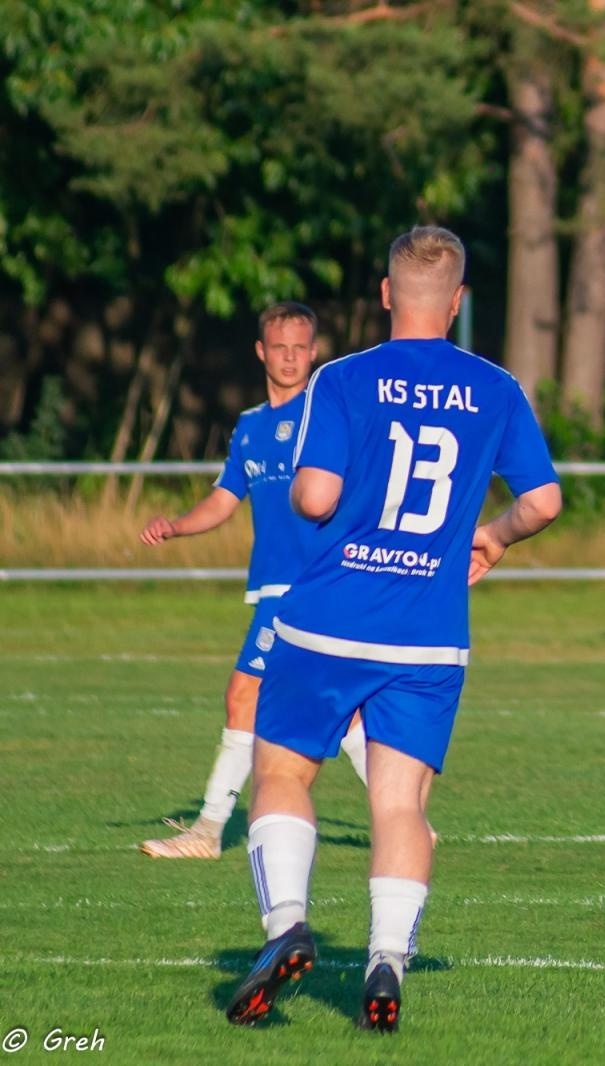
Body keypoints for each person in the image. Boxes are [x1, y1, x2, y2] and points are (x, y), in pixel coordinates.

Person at [223, 226, 562, 1031]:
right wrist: (497, 535)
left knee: (280, 775)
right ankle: (385, 961)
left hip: (326, 622)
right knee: (400, 805)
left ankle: (287, 926)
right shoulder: (498, 387)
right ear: (459, 303)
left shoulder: (341, 379)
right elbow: (544, 502)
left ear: (384, 295)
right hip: (428, 635)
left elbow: (311, 498)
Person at [139, 302, 369, 859]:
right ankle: (405, 815)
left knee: (244, 695)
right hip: (275, 584)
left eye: (301, 347)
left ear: (314, 353)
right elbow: (224, 500)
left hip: (307, 583)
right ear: (261, 351)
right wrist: (176, 526)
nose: (290, 357)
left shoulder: (330, 415)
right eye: (279, 347)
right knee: (344, 710)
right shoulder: (249, 427)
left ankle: (207, 832)